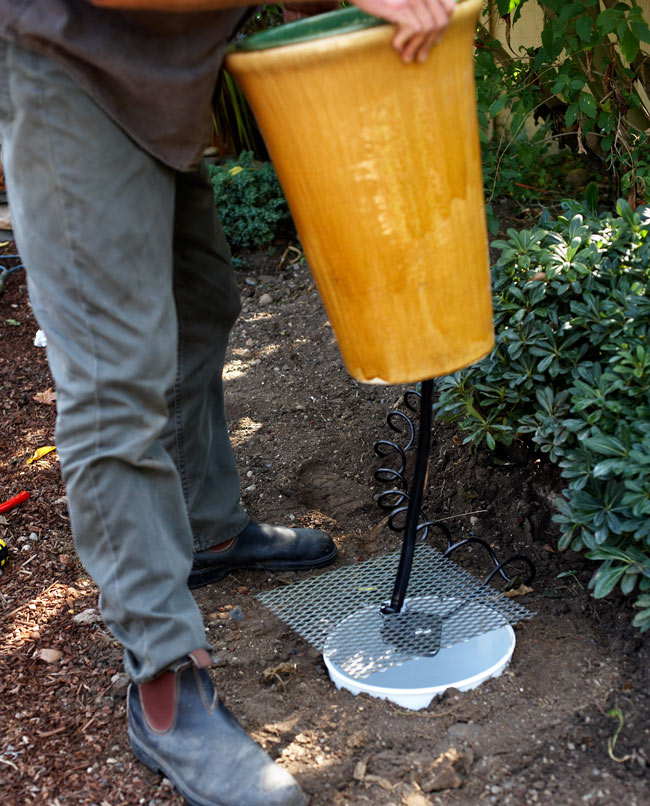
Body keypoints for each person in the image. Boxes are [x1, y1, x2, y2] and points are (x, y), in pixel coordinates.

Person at [0, 1, 454, 804]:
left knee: (201, 303)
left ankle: (205, 534)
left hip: (167, 89)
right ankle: (164, 686)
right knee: (114, 382)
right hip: (67, 68)